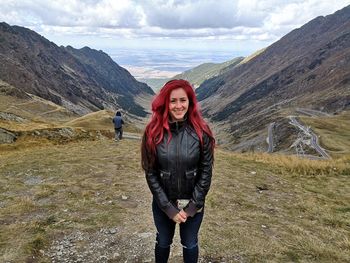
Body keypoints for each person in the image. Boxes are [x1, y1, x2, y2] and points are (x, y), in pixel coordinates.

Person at [141, 79, 215, 263]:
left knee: (190, 243)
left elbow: (206, 171)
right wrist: (168, 208)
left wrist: (192, 207)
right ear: (165, 103)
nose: (178, 105)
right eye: (173, 101)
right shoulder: (153, 133)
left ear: (190, 102)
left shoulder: (202, 132)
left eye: (183, 100)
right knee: (164, 241)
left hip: (193, 203)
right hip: (163, 203)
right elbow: (150, 172)